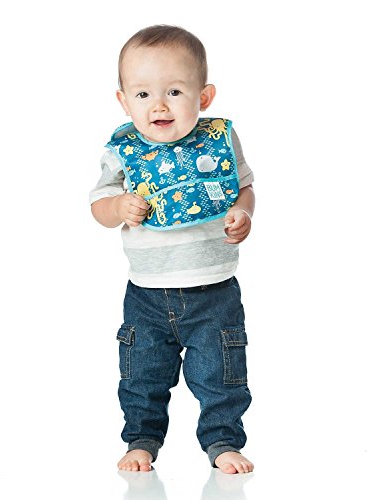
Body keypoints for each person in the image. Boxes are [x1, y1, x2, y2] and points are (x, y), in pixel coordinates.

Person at [90, 25, 255, 474]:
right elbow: (99, 208)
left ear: (204, 96)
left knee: (222, 374)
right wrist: (118, 206)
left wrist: (243, 213)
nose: (159, 105)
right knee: (141, 374)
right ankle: (141, 440)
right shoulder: (123, 151)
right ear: (124, 101)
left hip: (214, 290)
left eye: (175, 91)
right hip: (146, 292)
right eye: (143, 94)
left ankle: (223, 441)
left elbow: (243, 187)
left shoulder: (219, 139)